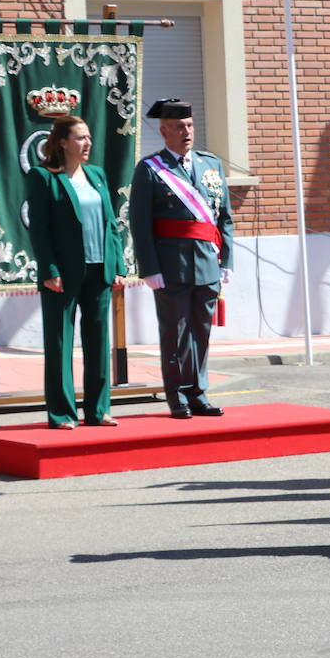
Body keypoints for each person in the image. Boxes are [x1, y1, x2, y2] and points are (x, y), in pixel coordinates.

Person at [130, 99, 234, 419]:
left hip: (206, 262)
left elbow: (224, 218)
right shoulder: (150, 169)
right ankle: (176, 394)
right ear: (163, 132)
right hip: (170, 265)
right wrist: (149, 268)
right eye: (178, 127)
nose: (185, 132)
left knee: (201, 331)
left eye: (189, 125)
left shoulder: (211, 164)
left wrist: (226, 262)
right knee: (174, 333)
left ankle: (198, 391)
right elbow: (140, 223)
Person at [27, 115, 123, 429]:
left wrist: (118, 266)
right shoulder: (44, 178)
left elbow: (111, 224)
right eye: (80, 138)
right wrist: (50, 269)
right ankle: (62, 413)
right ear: (63, 142)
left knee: (98, 342)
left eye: (88, 137)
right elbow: (39, 230)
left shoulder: (96, 175)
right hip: (63, 274)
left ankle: (98, 411)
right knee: (59, 343)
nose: (87, 143)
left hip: (99, 270)